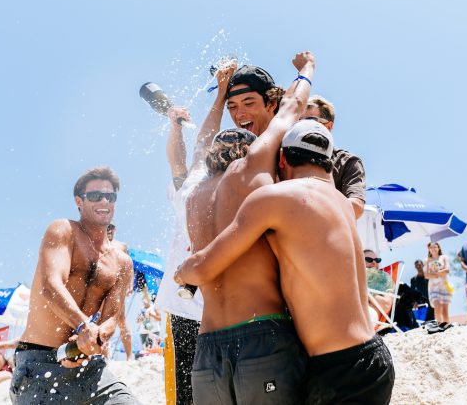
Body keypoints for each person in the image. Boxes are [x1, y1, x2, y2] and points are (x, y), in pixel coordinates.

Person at [176, 119, 394, 404]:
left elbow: (205, 266)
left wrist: (183, 273)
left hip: (335, 366)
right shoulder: (340, 203)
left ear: (281, 158)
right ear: (328, 165)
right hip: (372, 357)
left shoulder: (273, 199)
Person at [175, 53, 315, 404]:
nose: (239, 116)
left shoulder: (195, 188)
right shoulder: (255, 168)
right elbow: (293, 107)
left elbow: (203, 138)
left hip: (207, 351)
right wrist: (307, 69)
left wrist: (220, 94)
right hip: (260, 336)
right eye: (233, 108)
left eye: (247, 104)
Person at [10, 166, 139, 404]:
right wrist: (83, 327)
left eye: (110, 197)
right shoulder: (63, 230)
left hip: (89, 364)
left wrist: (94, 339)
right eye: (94, 196)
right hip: (39, 362)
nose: (103, 201)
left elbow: (112, 317)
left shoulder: (123, 262)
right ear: (79, 201)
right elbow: (50, 286)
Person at [154, 63, 236, 405]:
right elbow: (194, 147)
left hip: (229, 311)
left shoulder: (243, 192)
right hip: (185, 310)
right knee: (184, 398)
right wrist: (176, 126)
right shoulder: (191, 187)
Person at [300, 95, 366, 218]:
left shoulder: (348, 162)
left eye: (310, 121)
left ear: (328, 126)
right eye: (298, 121)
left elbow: (356, 207)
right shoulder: (285, 154)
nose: (301, 126)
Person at [106, 222, 133, 360]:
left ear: (115, 229)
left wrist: (130, 284)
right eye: (106, 227)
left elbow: (129, 265)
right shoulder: (97, 243)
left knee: (121, 319)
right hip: (103, 284)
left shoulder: (121, 245)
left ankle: (129, 356)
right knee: (101, 321)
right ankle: (104, 356)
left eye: (110, 227)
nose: (108, 229)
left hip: (118, 285)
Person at [423, 242, 452, 326]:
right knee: (437, 306)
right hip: (433, 287)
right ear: (429, 249)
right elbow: (427, 275)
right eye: (431, 247)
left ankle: (447, 326)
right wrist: (439, 273)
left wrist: (435, 273)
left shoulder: (443, 257)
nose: (433, 249)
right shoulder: (427, 260)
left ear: (439, 248)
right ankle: (439, 325)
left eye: (435, 247)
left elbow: (447, 270)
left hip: (444, 285)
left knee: (445, 309)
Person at [136, 285, 161, 351]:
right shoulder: (141, 309)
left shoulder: (154, 307)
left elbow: (159, 318)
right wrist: (140, 319)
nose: (144, 302)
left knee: (155, 348)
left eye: (146, 300)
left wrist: (151, 315)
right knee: (145, 349)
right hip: (143, 331)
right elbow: (137, 321)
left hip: (154, 330)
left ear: (149, 299)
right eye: (143, 301)